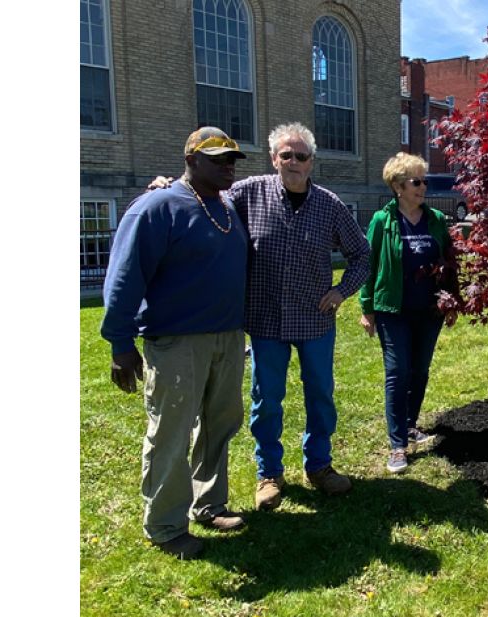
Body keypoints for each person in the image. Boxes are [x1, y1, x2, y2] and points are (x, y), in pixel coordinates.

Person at [148, 122, 371, 507]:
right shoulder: (248, 193)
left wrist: (341, 291)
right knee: (267, 399)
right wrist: (169, 189)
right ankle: (269, 473)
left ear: (312, 162)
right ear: (274, 159)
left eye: (301, 156)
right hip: (266, 319)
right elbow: (202, 200)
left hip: (315, 321)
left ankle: (319, 465)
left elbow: (362, 255)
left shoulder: (330, 205)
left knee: (321, 396)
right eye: (287, 155)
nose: (294, 162)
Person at [101, 126, 249, 560]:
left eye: (232, 159)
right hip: (177, 341)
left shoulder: (226, 206)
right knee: (171, 431)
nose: (227, 166)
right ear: (191, 160)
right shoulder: (157, 207)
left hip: (226, 337)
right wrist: (119, 342)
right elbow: (124, 279)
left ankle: (209, 503)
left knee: (220, 425)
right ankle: (165, 525)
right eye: (218, 158)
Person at [359, 153, 459, 474]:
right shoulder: (382, 221)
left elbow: (450, 264)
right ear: (398, 186)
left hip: (430, 313)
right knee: (398, 372)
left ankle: (410, 424)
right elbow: (368, 265)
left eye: (424, 181)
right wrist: (367, 308)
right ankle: (398, 445)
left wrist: (452, 300)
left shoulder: (437, 221)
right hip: (393, 310)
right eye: (417, 181)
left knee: (420, 371)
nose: (423, 187)